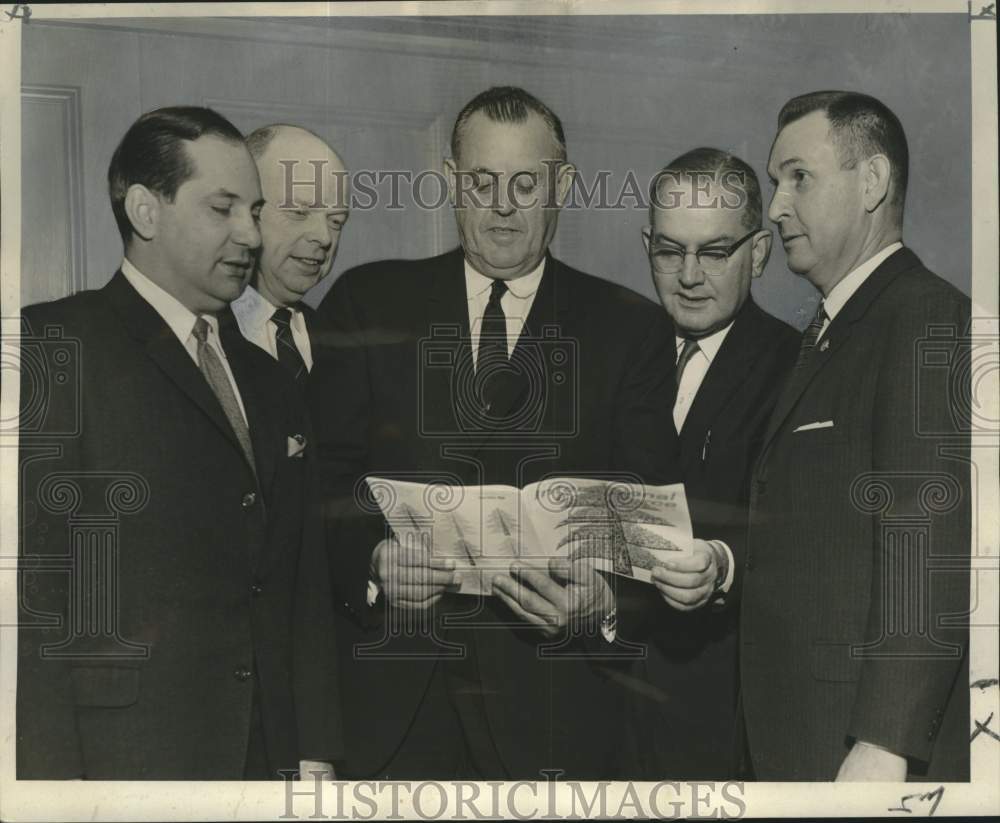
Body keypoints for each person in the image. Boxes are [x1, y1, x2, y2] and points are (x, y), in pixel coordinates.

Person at [309, 86, 677, 779]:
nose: (503, 205)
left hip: (559, 716)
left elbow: (650, 513)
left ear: (561, 185)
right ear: (451, 181)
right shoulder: (366, 302)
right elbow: (318, 484)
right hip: (392, 711)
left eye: (525, 183)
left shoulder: (630, 328)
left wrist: (601, 600)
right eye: (481, 182)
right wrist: (372, 563)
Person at [17, 106, 342, 780]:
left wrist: (313, 745)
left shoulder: (267, 377)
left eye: (254, 210)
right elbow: (31, 599)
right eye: (223, 208)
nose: (249, 234)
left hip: (267, 759)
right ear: (145, 210)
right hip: (122, 764)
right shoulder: (52, 348)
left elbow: (300, 580)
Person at [741, 90, 970, 780]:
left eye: (798, 177)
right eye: (775, 181)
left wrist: (885, 743)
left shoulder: (926, 316)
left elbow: (925, 543)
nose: (777, 205)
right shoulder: (833, 330)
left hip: (856, 754)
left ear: (871, 183)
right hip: (803, 738)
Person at [620, 148, 799, 778]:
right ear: (647, 245)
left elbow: (806, 535)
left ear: (758, 254)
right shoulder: (607, 350)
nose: (688, 275)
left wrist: (722, 565)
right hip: (600, 711)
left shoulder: (798, 367)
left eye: (715, 252)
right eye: (670, 251)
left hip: (724, 722)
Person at [233, 124, 349, 383]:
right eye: (299, 212)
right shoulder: (200, 336)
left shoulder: (344, 344)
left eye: (336, 221)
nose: (324, 237)